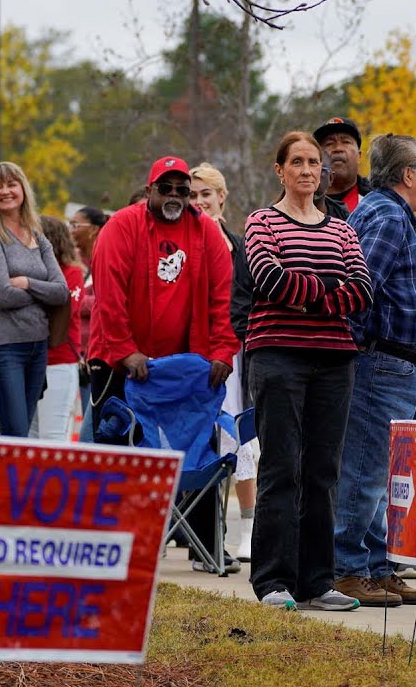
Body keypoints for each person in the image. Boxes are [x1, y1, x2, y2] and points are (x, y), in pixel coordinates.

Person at [88, 155, 240, 570]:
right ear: (150, 190)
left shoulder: (206, 232)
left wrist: (221, 351)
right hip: (120, 361)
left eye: (182, 190)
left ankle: (207, 544)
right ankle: (118, 543)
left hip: (184, 367)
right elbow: (109, 294)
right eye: (166, 188)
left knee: (199, 446)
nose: (174, 196)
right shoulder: (122, 226)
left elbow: (223, 299)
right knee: (120, 447)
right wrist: (125, 350)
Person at [243, 132, 371, 610]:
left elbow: (362, 290)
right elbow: (269, 279)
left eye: (313, 162)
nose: (306, 170)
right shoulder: (262, 222)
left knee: (322, 472)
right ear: (280, 170)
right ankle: (273, 581)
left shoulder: (342, 230)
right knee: (281, 468)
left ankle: (317, 582)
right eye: (296, 162)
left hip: (334, 361)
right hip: (277, 357)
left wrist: (307, 295)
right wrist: (329, 289)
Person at [331, 133, 416, 609]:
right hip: (381, 363)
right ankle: (347, 568)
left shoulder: (391, 213)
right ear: (408, 174)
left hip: (397, 366)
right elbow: (360, 287)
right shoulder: (386, 215)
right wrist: (358, 350)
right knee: (364, 469)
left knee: (379, 475)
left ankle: (377, 567)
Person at [189, 161, 258, 562]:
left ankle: (248, 528)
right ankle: (205, 533)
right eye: (193, 195)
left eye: (206, 194)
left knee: (236, 438)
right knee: (200, 442)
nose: (199, 202)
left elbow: (244, 299)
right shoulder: (182, 242)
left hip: (229, 352)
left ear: (221, 197)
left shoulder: (239, 245)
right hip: (191, 354)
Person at [0, 162, 69, 437]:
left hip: (37, 344)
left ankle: (5, 469)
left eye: (11, 184)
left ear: (23, 189)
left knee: (22, 433)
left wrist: (27, 283)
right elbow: (3, 295)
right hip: (3, 346)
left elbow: (61, 291)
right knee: (14, 430)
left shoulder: (37, 235)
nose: (5, 191)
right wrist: (43, 293)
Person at [29, 215, 84, 440]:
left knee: (52, 435)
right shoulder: (28, 270)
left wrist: (30, 291)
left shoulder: (71, 272)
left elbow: (64, 312)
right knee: (27, 436)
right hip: (29, 362)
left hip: (58, 362)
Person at [70, 206, 108, 442]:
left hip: (97, 355)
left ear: (94, 230)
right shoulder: (76, 262)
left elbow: (106, 301)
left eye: (76, 225)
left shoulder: (105, 257)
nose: (71, 230)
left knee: (92, 419)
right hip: (75, 352)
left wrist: (77, 300)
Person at [314, 117, 371, 213]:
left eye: (346, 142)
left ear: (359, 156)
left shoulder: (378, 202)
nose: (338, 148)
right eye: (329, 143)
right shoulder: (302, 202)